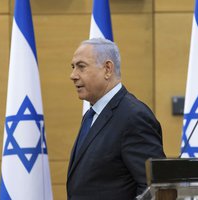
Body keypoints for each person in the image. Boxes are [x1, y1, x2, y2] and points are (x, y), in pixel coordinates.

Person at [67, 38, 166, 200]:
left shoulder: (134, 116)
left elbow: (153, 188)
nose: (73, 75)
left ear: (107, 69)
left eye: (81, 67)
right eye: (73, 67)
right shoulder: (91, 115)